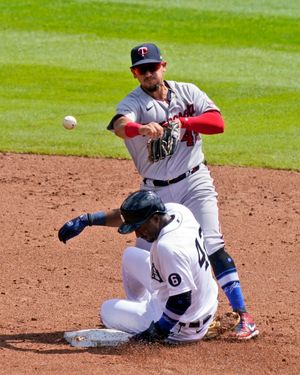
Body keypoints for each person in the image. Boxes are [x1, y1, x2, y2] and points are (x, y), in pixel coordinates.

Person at [106, 43, 258, 340]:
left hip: (194, 181)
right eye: (141, 70)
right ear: (134, 74)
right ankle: (150, 312)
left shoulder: (188, 92)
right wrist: (141, 129)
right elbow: (119, 125)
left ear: (163, 66)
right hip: (155, 193)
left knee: (212, 243)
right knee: (146, 255)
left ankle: (244, 316)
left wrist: (183, 121)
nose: (148, 73)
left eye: (152, 67)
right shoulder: (133, 101)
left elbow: (217, 122)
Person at [58, 190, 218, 343]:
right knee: (130, 255)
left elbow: (181, 300)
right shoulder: (178, 211)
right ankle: (140, 310)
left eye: (140, 227)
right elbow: (126, 217)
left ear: (155, 218)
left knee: (106, 311)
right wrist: (88, 219)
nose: (137, 234)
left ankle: (147, 319)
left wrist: (158, 330)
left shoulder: (168, 247)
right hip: (206, 304)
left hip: (182, 326)